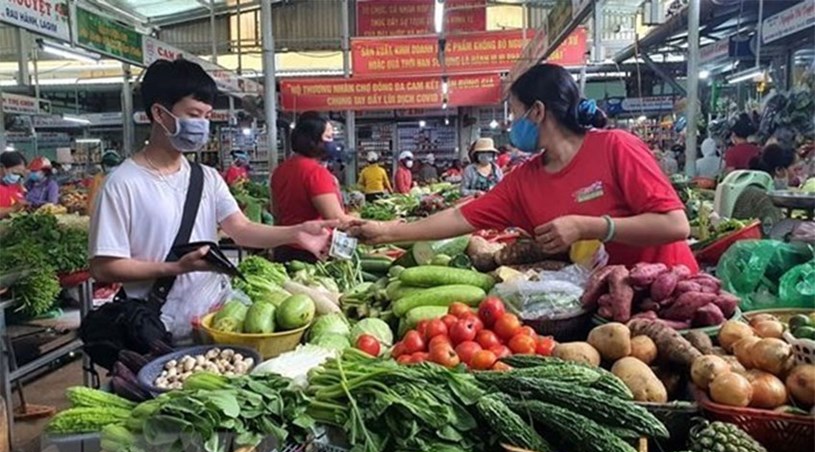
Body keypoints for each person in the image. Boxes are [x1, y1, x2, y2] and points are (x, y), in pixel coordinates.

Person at [348, 64, 696, 271]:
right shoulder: (524, 180)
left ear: (538, 111)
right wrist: (388, 231)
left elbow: (675, 224)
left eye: (514, 113)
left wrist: (588, 226)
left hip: (673, 294)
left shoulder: (616, 147)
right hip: (607, 306)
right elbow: (460, 218)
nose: (512, 124)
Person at [89, 58, 334, 339]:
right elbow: (103, 267)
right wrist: (174, 268)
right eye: (194, 115)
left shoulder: (206, 177)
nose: (202, 126)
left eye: (206, 116)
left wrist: (296, 233)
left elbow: (241, 230)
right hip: (159, 330)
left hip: (216, 321)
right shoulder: (122, 185)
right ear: (159, 113)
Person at [270, 112, 347, 263]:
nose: (333, 143)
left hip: (284, 247)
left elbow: (276, 213)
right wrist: (380, 227)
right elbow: (336, 219)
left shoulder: (280, 170)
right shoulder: (316, 173)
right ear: (313, 141)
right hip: (311, 251)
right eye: (329, 137)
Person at [87, 150, 122, 214]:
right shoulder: (98, 178)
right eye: (108, 165)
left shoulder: (122, 179)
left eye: (112, 165)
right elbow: (92, 199)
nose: (110, 168)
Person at [0, 150, 26, 218]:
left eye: (20, 175)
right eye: (15, 173)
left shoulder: (15, 186)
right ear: (2, 168)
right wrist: (13, 209)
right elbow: (14, 208)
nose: (17, 177)